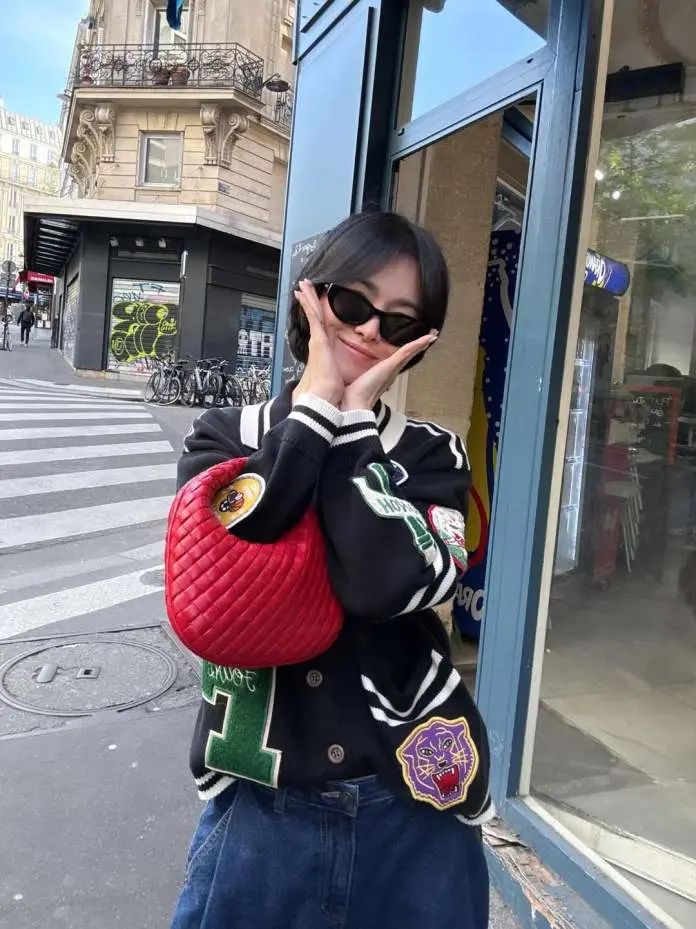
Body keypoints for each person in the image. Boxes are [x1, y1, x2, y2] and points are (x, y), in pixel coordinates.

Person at [169, 211, 492, 929]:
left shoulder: (434, 457)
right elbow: (236, 579)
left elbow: (383, 584)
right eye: (353, 303)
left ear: (417, 345)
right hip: (261, 811)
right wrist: (315, 409)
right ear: (311, 298)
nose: (371, 330)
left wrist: (350, 431)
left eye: (400, 323)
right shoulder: (224, 436)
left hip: (414, 810)